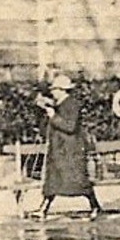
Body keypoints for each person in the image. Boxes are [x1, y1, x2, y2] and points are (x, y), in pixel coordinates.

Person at [36, 74, 103, 220]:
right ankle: (43, 209)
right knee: (53, 181)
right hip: (59, 150)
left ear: (61, 90)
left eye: (54, 89)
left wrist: (53, 116)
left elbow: (70, 126)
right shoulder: (60, 104)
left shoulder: (72, 104)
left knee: (79, 183)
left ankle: (95, 206)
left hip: (70, 150)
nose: (52, 92)